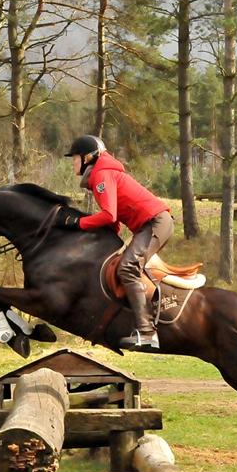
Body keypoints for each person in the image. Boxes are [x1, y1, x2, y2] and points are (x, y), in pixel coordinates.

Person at [58, 135, 172, 350]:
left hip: (155, 223)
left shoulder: (101, 175)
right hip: (149, 225)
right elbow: (115, 220)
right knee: (124, 264)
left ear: (88, 158)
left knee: (128, 267)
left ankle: (147, 333)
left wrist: (78, 223)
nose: (73, 163)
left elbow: (109, 215)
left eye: (75, 158)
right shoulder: (101, 174)